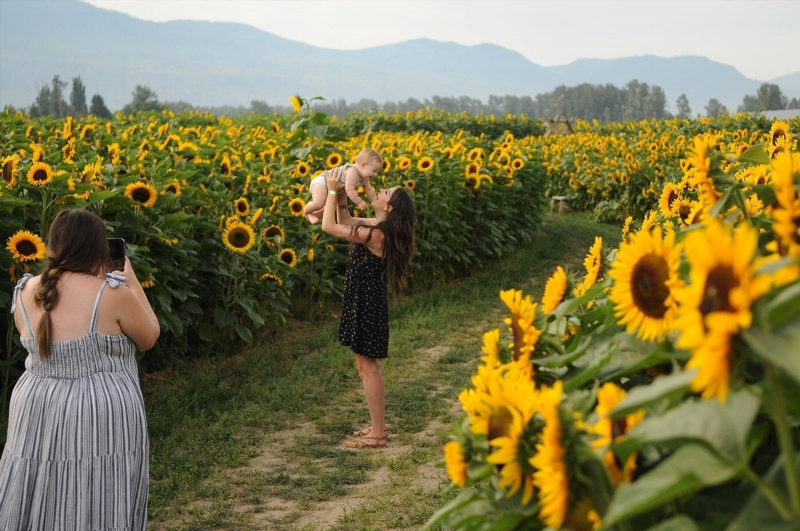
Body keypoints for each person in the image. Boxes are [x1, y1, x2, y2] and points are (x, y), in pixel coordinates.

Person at [0, 208, 160, 530]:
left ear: (52, 244)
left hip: (34, 405)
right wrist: (130, 281)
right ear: (98, 246)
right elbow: (149, 336)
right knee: (96, 491)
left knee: (36, 486)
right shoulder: (112, 293)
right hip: (98, 412)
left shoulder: (25, 290)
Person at [321, 166, 415, 448]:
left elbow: (329, 227)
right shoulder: (377, 227)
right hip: (365, 302)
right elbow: (347, 218)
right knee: (364, 365)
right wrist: (340, 199)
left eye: (386, 192)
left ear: (389, 206)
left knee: (368, 367)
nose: (379, 190)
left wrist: (330, 191)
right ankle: (378, 428)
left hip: (367, 304)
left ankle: (378, 435)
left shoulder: (377, 234)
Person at [305, 147, 383, 224]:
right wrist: (359, 202)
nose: (375, 174)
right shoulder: (352, 171)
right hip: (322, 182)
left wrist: (375, 201)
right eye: (374, 171)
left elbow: (368, 190)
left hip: (332, 187)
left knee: (333, 206)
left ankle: (314, 215)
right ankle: (307, 211)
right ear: (363, 165)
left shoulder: (364, 178)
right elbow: (350, 190)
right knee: (318, 203)